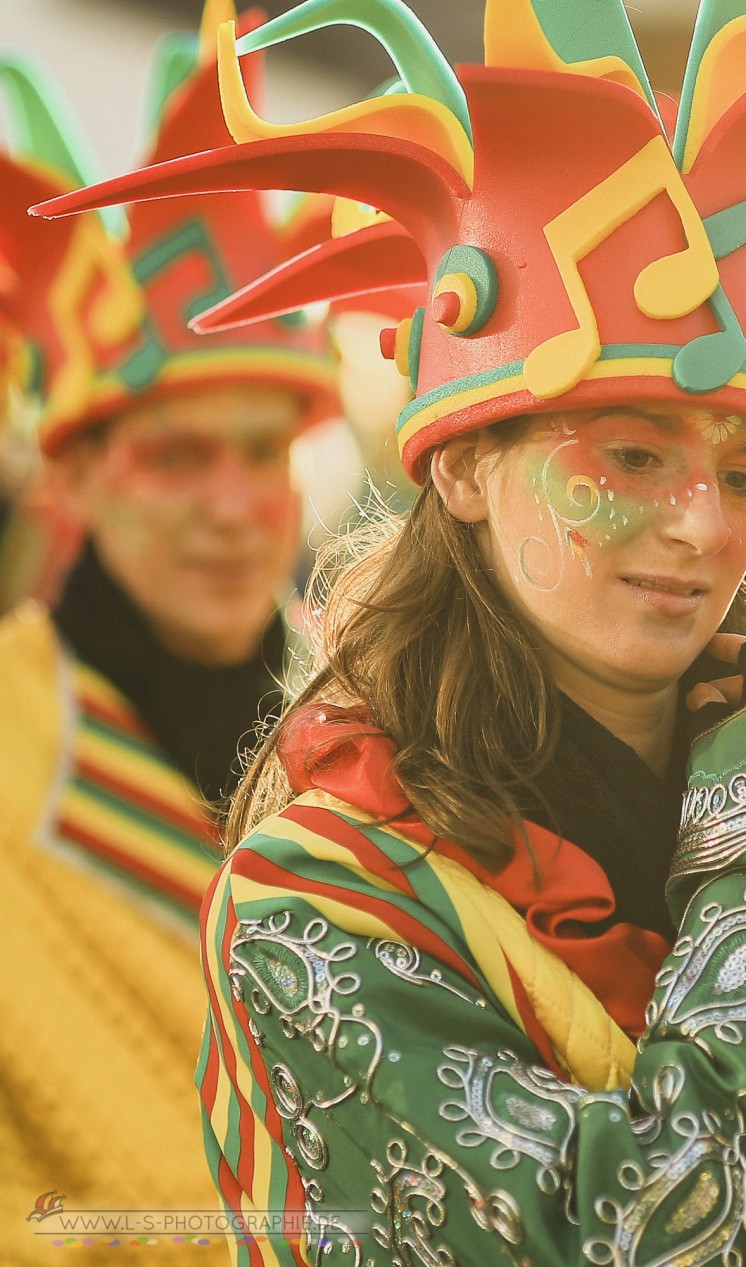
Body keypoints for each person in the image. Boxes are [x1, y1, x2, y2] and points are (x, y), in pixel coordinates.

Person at [39, 0, 746, 1262]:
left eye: (742, 475)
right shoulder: (319, 902)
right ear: (460, 465)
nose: (699, 525)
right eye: (630, 455)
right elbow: (649, 1235)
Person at [0, 24, 337, 1263]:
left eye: (264, 453)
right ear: (77, 476)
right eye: (176, 456)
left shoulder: (406, 734)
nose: (233, 505)